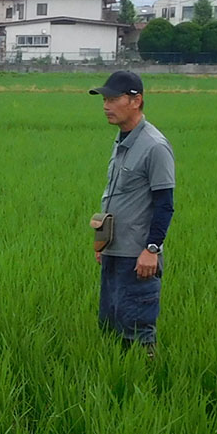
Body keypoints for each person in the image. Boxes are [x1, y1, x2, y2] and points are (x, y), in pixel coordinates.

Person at [90, 69, 175, 355]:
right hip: (114, 250)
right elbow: (115, 197)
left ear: (135, 101)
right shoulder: (122, 142)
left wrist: (152, 248)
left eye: (113, 99)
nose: (106, 106)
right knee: (111, 325)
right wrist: (102, 241)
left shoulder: (154, 146)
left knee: (137, 331)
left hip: (138, 258)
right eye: (104, 100)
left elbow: (165, 203)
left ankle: (147, 387)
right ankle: (118, 382)